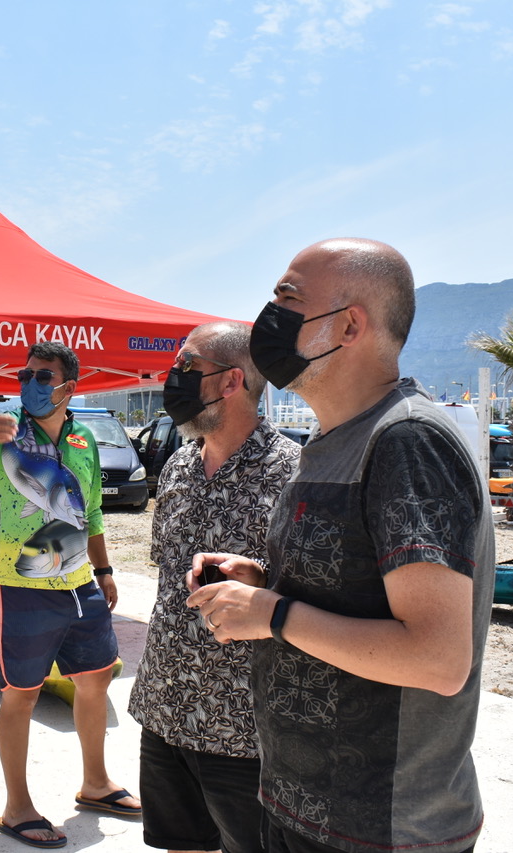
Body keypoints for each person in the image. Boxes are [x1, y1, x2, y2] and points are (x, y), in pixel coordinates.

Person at [188, 239, 495, 853]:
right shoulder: (334, 441)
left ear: (350, 325)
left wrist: (273, 614)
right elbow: (351, 590)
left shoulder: (407, 441)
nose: (267, 319)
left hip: (378, 828)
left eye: (287, 299)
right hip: (298, 807)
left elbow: (438, 659)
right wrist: (263, 585)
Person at [0, 341, 138, 849]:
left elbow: (89, 514)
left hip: (78, 584)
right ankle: (16, 808)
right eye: (27, 374)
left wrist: (105, 569)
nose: (32, 384)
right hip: (15, 587)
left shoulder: (86, 439)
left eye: (44, 377)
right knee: (19, 696)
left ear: (70, 386)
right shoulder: (1, 430)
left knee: (94, 680)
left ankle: (95, 784)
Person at [128, 321, 299, 853]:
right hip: (164, 706)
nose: (172, 378)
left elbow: (325, 597)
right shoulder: (178, 465)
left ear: (230, 383)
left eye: (186, 367)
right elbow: (164, 575)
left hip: (243, 728)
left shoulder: (295, 474)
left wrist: (263, 582)